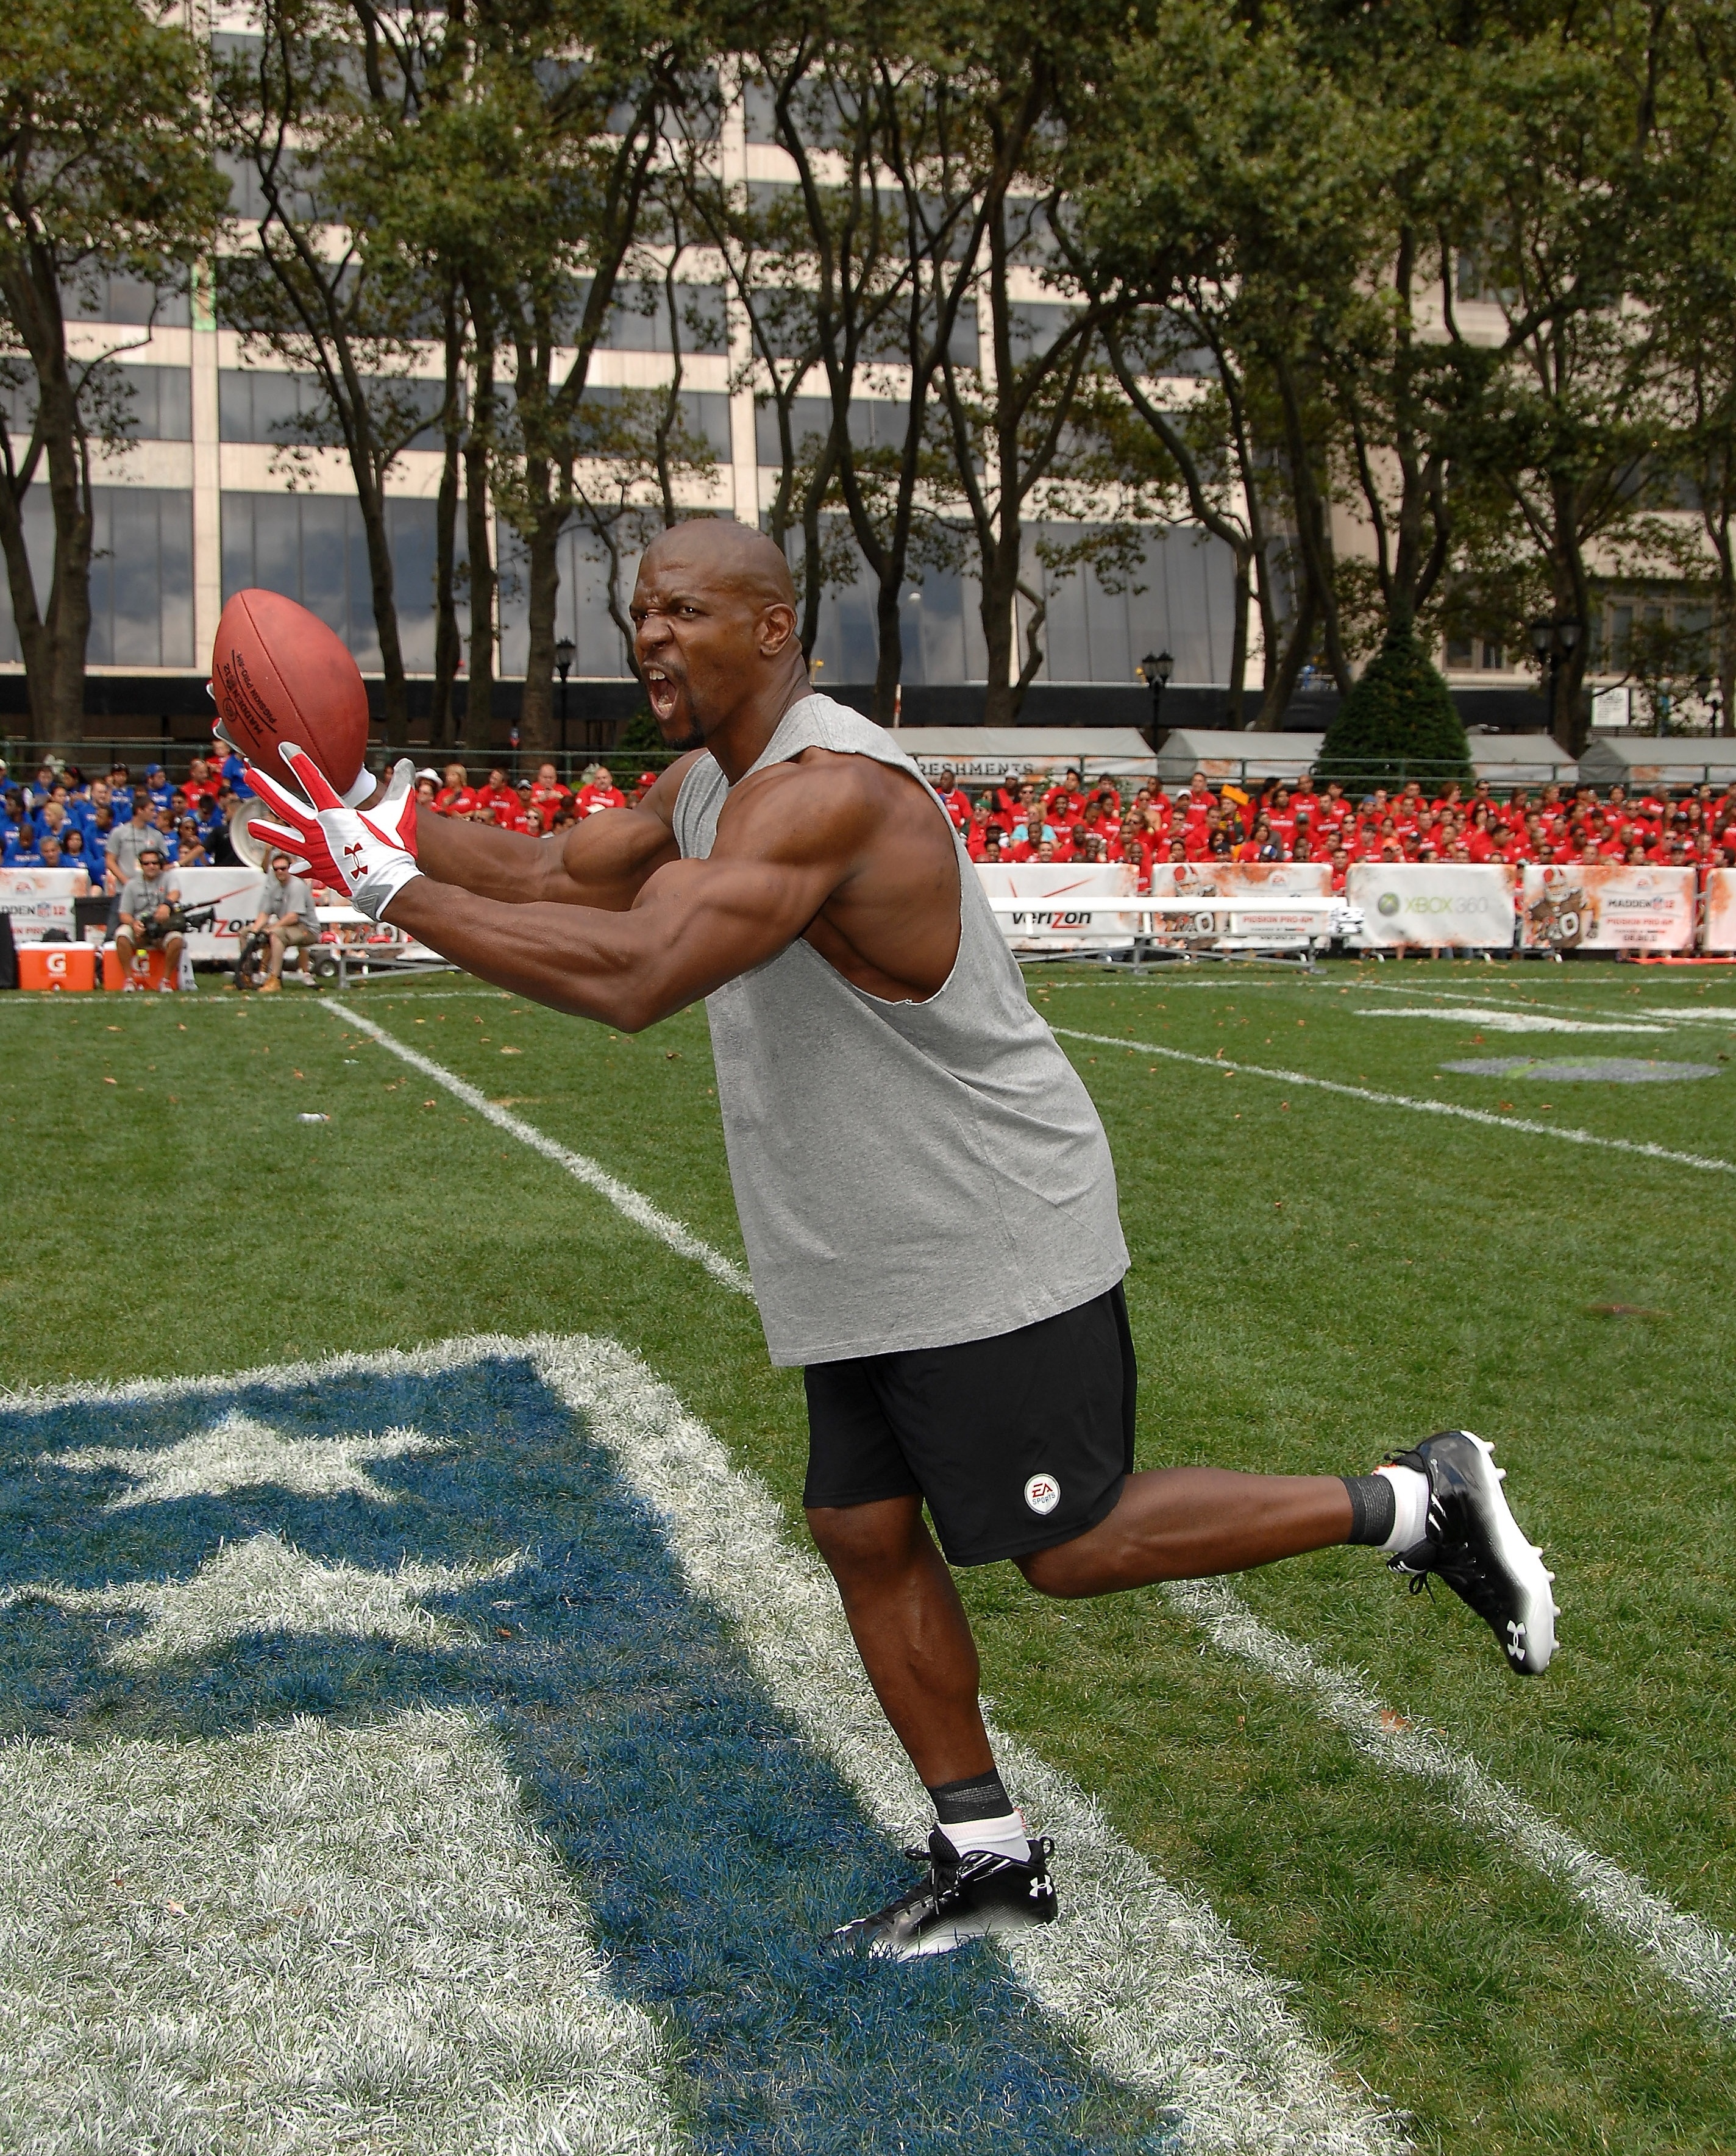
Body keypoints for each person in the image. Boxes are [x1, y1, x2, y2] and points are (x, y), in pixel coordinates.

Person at [246, 518, 1560, 1962]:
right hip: (859, 1243)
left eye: (681, 609)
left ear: (770, 628)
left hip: (979, 1221)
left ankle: (1412, 1500)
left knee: (1066, 1542)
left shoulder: (827, 794)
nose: (648, 636)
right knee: (861, 1526)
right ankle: (984, 1852)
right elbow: (561, 876)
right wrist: (354, 808)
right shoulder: (707, 784)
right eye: (637, 611)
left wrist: (381, 887)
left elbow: (634, 976)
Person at [249, 849, 320, 991]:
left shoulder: (297, 886)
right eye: (276, 869)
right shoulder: (274, 888)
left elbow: (294, 917)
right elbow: (265, 913)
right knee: (245, 933)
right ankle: (246, 975)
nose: (280, 872)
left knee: (276, 934)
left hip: (307, 929)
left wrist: (272, 928)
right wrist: (254, 931)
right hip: (288, 928)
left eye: (283, 868)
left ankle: (274, 978)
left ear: (290, 869)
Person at [114, 844, 183, 986]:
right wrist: (134, 924)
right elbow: (124, 914)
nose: (151, 866)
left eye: (155, 863)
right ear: (141, 866)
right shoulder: (131, 885)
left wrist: (166, 905)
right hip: (139, 926)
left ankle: (166, 981)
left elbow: (176, 893)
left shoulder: (169, 878)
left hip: (163, 926)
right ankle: (129, 980)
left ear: (160, 864)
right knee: (121, 936)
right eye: (147, 863)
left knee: (177, 939)